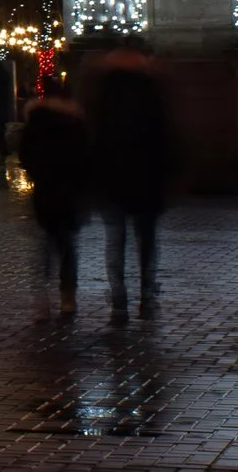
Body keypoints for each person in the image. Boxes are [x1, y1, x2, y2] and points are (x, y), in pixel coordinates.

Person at [87, 37, 178, 323]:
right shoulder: (150, 85)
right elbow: (164, 134)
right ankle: (147, 298)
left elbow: (93, 134)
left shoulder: (104, 87)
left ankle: (119, 301)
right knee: (146, 240)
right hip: (146, 175)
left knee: (115, 240)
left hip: (112, 176)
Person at [18, 70, 88, 320]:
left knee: (47, 242)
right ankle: (67, 295)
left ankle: (42, 295)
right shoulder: (75, 122)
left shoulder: (35, 121)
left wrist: (37, 172)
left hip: (45, 189)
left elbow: (25, 154)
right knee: (67, 243)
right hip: (70, 190)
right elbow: (86, 156)